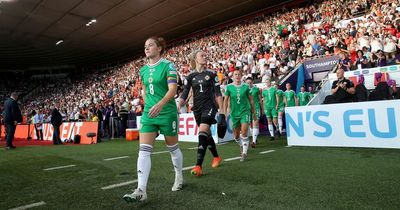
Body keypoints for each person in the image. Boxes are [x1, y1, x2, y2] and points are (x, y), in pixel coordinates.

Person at [123, 36, 183, 202]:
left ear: (159, 48)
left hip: (166, 112)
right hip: (149, 113)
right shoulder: (142, 70)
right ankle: (141, 189)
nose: (147, 48)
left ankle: (179, 175)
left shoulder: (168, 66)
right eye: (145, 46)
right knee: (144, 150)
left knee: (173, 148)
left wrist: (160, 104)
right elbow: (144, 89)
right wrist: (147, 104)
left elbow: (173, 89)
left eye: (150, 45)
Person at [179, 50, 224, 177]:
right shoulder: (190, 76)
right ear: (196, 59)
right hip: (197, 109)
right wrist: (179, 104)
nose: (205, 57)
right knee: (207, 135)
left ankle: (198, 165)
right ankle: (216, 157)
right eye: (202, 56)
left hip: (209, 106)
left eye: (205, 55)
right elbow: (185, 93)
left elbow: (218, 93)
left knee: (202, 132)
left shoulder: (212, 74)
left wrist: (222, 111)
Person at [223, 69, 256, 161]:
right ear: (233, 76)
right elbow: (225, 100)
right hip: (234, 113)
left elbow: (251, 100)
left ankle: (244, 153)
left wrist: (254, 113)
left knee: (244, 131)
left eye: (239, 74)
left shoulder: (246, 86)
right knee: (236, 135)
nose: (237, 76)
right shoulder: (229, 87)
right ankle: (242, 144)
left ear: (241, 76)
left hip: (245, 111)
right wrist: (224, 113)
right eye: (235, 74)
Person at [245, 77, 263, 147]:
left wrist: (262, 109)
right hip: (248, 109)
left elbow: (260, 100)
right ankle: (254, 137)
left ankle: (254, 141)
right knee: (250, 125)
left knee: (255, 123)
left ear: (252, 82)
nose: (249, 84)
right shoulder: (245, 90)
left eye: (250, 83)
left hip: (256, 108)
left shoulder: (256, 89)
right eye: (248, 83)